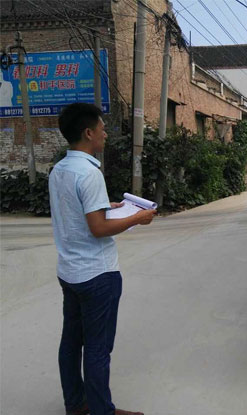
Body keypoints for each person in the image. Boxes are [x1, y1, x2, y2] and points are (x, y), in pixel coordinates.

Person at [49, 103, 156, 415]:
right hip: (97, 275)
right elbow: (98, 228)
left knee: (71, 342)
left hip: (70, 272)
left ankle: (76, 403)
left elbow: (76, 210)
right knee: (97, 348)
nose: (105, 133)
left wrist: (107, 206)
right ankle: (101, 411)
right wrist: (138, 218)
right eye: (102, 128)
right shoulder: (89, 172)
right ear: (88, 133)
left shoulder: (60, 169)